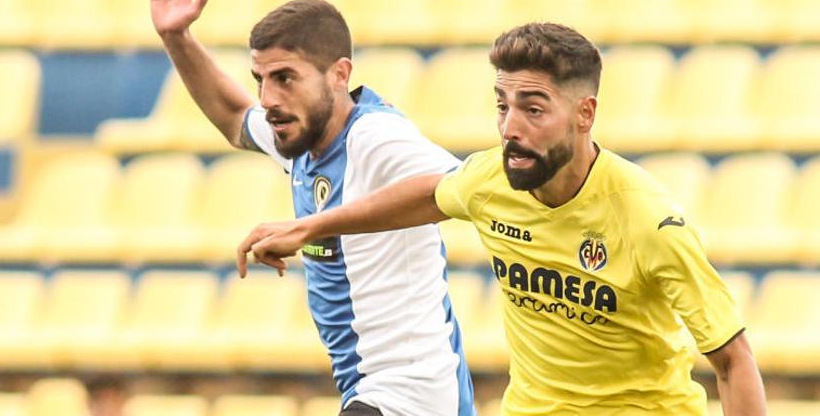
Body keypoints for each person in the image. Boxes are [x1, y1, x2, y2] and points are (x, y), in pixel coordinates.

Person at [238, 23, 768, 415]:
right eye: (501, 105)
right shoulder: (491, 180)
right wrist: (311, 226)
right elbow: (427, 195)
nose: (510, 127)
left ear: (584, 115)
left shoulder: (649, 221)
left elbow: (733, 361)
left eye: (532, 109)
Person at [147, 0, 476, 416]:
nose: (267, 97)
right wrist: (176, 37)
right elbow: (234, 116)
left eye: (285, 78)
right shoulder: (301, 139)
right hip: (373, 393)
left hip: (411, 395)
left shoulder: (375, 137)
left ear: (339, 74)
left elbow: (462, 188)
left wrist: (307, 228)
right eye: (260, 79)